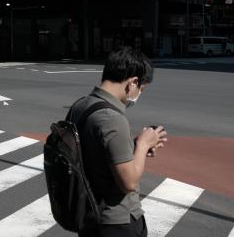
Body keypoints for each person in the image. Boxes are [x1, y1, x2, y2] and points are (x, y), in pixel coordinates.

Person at [68, 47, 167, 237]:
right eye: (141, 88)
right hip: (116, 222)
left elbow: (96, 152)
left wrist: (135, 146)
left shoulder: (80, 105)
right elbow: (128, 182)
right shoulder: (112, 118)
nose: (139, 94)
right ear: (133, 82)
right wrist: (144, 144)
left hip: (89, 215)